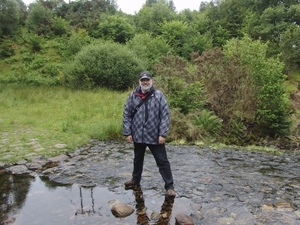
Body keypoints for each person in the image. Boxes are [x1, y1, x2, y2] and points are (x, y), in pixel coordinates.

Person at [123, 71, 175, 198]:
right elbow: (127, 114)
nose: (145, 82)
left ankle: (170, 187)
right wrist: (128, 132)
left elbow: (165, 116)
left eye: (147, 80)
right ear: (139, 82)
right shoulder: (133, 96)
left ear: (151, 81)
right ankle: (135, 181)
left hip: (155, 136)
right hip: (138, 135)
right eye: (143, 80)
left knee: (162, 161)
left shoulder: (159, 96)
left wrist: (162, 134)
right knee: (137, 160)